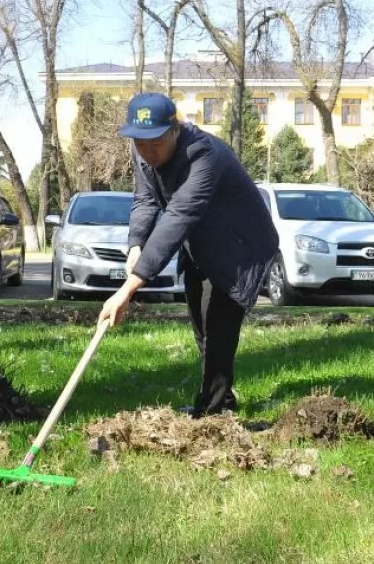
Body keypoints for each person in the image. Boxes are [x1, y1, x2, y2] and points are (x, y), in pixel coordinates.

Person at [98, 93, 279, 418]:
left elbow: (178, 216)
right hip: (198, 242)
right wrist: (136, 243)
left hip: (238, 245)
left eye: (156, 143)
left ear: (175, 130)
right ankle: (218, 399)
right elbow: (145, 199)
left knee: (218, 327)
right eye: (141, 143)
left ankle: (213, 415)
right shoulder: (141, 147)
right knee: (201, 325)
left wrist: (127, 290)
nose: (148, 152)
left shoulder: (203, 155)